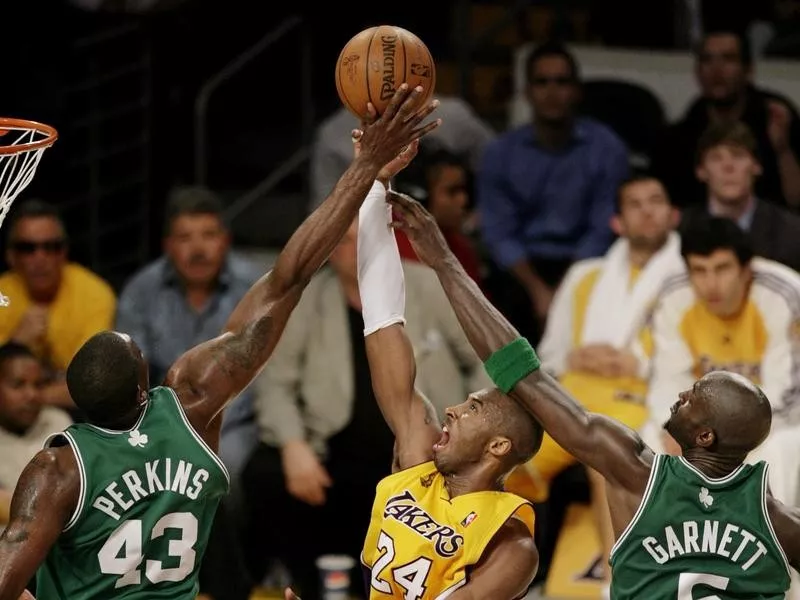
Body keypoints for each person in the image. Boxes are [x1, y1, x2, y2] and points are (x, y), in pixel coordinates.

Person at [0, 83, 440, 600]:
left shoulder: (59, 468)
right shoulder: (190, 405)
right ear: (146, 390)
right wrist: (365, 168)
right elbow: (287, 280)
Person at [387, 190, 800, 598]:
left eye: (693, 396)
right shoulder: (777, 519)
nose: (680, 395)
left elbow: (522, 374)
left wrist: (444, 264)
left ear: (705, 436)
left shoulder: (637, 472)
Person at [286, 135, 545, 599]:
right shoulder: (418, 461)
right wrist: (375, 184)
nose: (451, 410)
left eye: (472, 409)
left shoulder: (510, 543)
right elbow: (383, 322)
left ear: (499, 445)